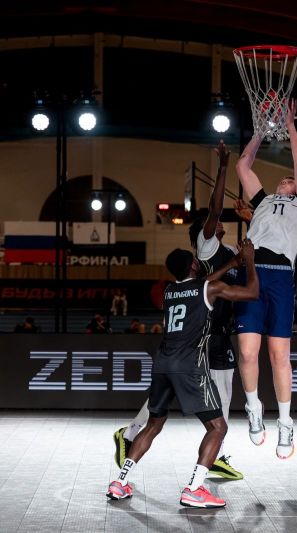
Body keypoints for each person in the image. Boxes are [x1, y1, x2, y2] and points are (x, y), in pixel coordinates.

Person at [113, 141, 244, 480]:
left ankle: (214, 453)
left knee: (219, 393)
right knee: (186, 394)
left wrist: (251, 221)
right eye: (213, 222)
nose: (218, 222)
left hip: (218, 334)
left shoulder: (230, 252)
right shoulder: (206, 246)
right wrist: (224, 167)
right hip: (201, 337)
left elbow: (247, 255)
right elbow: (215, 209)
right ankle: (133, 433)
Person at [106, 241, 258, 508]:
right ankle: (194, 489)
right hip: (190, 366)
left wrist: (232, 263)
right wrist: (249, 260)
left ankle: (120, 481)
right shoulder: (208, 288)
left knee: (153, 425)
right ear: (194, 265)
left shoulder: (169, 291)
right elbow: (252, 293)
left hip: (162, 363)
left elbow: (201, 284)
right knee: (218, 427)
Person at [234, 99, 297, 459]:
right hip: (251, 273)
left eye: (291, 180)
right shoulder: (263, 201)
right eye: (283, 179)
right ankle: (253, 408)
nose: (287, 180)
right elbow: (242, 165)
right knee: (247, 352)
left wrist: (289, 124)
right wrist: (260, 132)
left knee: (279, 355)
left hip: (281, 277)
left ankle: (285, 422)